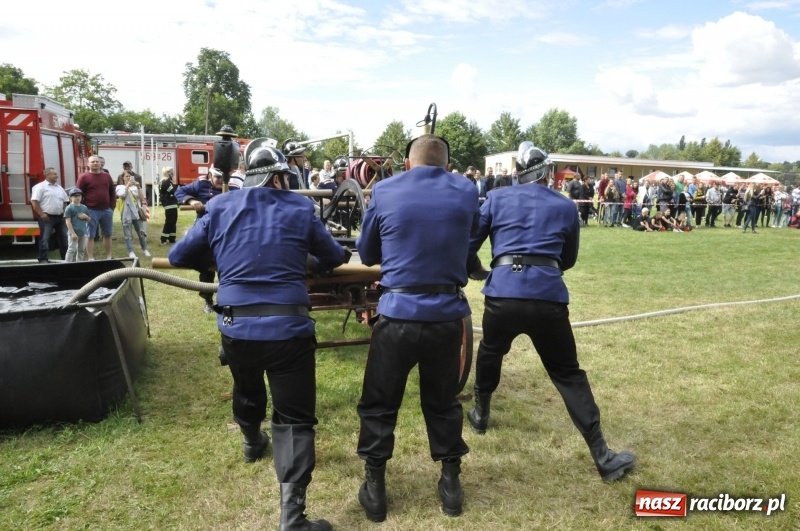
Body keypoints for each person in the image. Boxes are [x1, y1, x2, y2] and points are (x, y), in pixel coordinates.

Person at [169, 143, 344, 531]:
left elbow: (180, 256)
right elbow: (334, 257)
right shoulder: (299, 208)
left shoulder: (218, 207)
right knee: (295, 417)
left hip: (236, 326)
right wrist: (305, 260)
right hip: (288, 329)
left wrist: (222, 259)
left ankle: (252, 442)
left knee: (246, 385)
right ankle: (293, 518)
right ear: (280, 176)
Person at [466, 141, 635, 484]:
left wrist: (480, 270)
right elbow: (568, 259)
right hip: (548, 296)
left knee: (490, 352)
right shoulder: (565, 205)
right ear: (546, 172)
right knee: (568, 374)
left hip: (503, 293)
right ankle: (603, 455)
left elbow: (469, 243)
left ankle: (481, 412)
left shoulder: (496, 198)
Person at [355, 134, 477, 521]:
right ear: (446, 165)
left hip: (398, 314)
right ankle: (451, 485)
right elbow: (467, 242)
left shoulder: (386, 190)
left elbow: (369, 252)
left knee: (379, 402)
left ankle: (375, 489)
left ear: (408, 163)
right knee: (443, 403)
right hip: (446, 317)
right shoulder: (466, 189)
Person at [175, 167, 225, 313]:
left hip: (224, 232)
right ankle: (208, 300)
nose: (221, 181)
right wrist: (191, 201)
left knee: (226, 268)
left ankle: (225, 299)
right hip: (205, 231)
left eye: (223, 178)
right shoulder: (200, 184)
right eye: (217, 177)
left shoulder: (232, 186)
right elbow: (179, 191)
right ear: (210, 175)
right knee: (205, 268)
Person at [77, 155, 116, 260]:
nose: (95, 163)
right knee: (90, 235)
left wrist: (112, 208)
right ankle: (90, 258)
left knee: (107, 234)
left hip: (107, 210)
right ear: (88, 164)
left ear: (100, 164)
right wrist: (83, 209)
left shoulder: (107, 176)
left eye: (97, 162)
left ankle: (109, 256)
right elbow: (78, 194)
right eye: (93, 162)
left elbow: (112, 192)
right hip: (91, 211)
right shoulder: (83, 177)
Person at [31, 167, 70, 263]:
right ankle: (43, 259)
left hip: (60, 217)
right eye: (54, 174)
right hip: (47, 217)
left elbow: (65, 201)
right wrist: (41, 214)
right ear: (47, 175)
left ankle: (66, 258)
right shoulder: (40, 187)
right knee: (45, 239)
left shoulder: (59, 187)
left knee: (64, 238)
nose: (57, 176)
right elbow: (34, 201)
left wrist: (65, 213)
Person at [116, 171, 151, 258]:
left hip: (137, 213)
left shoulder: (135, 188)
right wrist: (127, 185)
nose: (129, 178)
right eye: (127, 176)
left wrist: (138, 187)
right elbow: (122, 195)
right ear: (122, 178)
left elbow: (141, 197)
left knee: (141, 232)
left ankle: (145, 249)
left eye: (130, 176)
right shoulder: (120, 187)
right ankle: (131, 251)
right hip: (126, 214)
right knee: (128, 234)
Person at [63, 188, 91, 262]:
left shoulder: (84, 207)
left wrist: (86, 217)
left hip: (83, 232)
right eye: (75, 196)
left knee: (81, 250)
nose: (78, 198)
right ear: (71, 197)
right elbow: (68, 221)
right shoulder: (69, 208)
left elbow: (89, 219)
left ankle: (79, 263)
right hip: (73, 233)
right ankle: (67, 263)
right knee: (71, 249)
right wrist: (73, 233)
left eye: (79, 196)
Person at [159, 167, 179, 244]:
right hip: (169, 204)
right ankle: (163, 238)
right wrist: (175, 184)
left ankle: (172, 238)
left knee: (173, 221)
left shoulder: (166, 181)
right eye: (172, 173)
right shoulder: (165, 182)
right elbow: (173, 191)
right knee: (169, 222)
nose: (173, 174)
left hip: (172, 204)